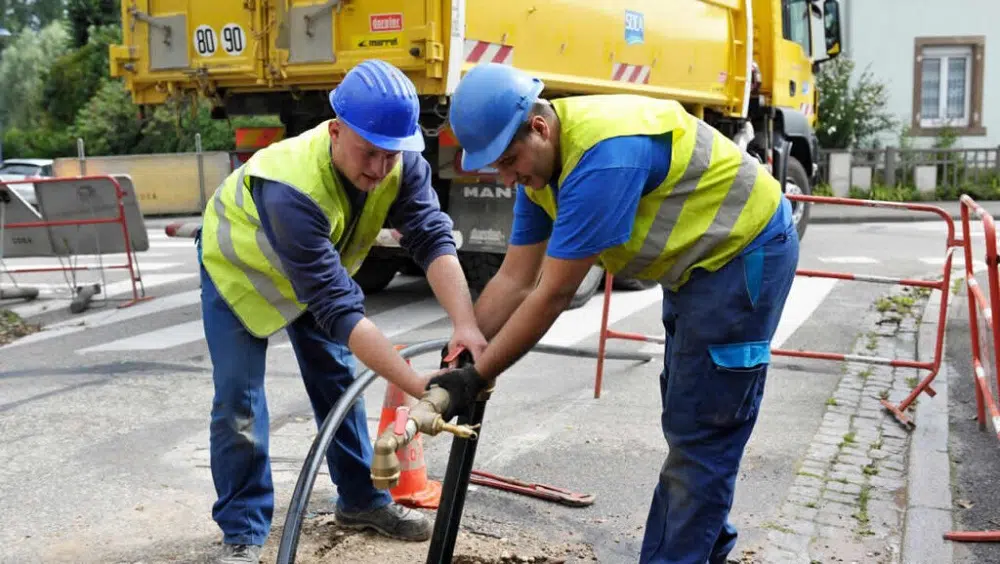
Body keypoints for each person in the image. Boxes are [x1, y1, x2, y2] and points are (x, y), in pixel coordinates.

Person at [427, 62, 800, 564]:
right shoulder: (544, 167)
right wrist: (465, 344)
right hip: (696, 268)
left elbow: (551, 294)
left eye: (510, 160)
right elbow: (515, 279)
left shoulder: (602, 160)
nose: (508, 177)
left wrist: (476, 378)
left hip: (743, 258)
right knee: (692, 418)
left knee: (703, 430)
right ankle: (705, 548)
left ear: (540, 127)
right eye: (497, 167)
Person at [197, 59, 487, 564]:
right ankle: (243, 532)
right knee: (239, 403)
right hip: (241, 275)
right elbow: (338, 307)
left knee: (339, 380)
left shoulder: (401, 162)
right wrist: (423, 388)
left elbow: (431, 238)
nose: (379, 169)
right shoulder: (290, 186)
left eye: (391, 156)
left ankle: (361, 501)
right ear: (335, 131)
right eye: (368, 153)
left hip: (313, 273)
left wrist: (465, 324)